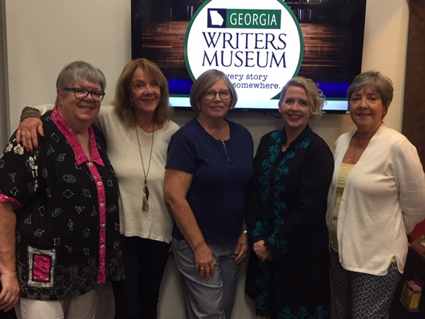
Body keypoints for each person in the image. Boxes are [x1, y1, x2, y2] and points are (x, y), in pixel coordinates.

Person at [16, 58, 180, 319]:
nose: (148, 91)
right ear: (128, 93)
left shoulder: (174, 132)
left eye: (154, 85)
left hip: (158, 234)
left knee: (150, 304)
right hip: (121, 232)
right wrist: (29, 116)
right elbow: (56, 108)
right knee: (127, 309)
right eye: (139, 85)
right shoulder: (109, 118)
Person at [0, 61, 125, 319]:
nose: (89, 99)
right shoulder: (32, 135)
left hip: (83, 272)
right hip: (40, 273)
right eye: (80, 90)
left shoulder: (98, 137)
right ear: (60, 93)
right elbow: (4, 203)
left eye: (96, 93)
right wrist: (8, 272)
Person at [326, 70, 425, 318]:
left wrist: (386, 232)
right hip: (339, 251)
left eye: (372, 98)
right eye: (356, 98)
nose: (362, 105)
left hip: (377, 259)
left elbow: (417, 204)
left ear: (386, 105)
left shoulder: (398, 146)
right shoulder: (342, 141)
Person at [164, 69, 254, 319]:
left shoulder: (243, 136)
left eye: (224, 93)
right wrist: (199, 247)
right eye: (210, 93)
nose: (217, 98)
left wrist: (245, 232)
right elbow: (174, 196)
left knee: (223, 310)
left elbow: (244, 189)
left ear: (231, 98)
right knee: (210, 314)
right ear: (198, 99)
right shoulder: (186, 138)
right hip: (198, 244)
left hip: (232, 243)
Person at [245, 76, 334, 318]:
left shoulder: (318, 150)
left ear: (312, 109)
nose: (295, 108)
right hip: (263, 250)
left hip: (302, 255)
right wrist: (258, 238)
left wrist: (273, 246)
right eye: (290, 101)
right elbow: (254, 193)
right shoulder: (267, 142)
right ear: (280, 106)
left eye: (303, 103)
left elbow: (311, 208)